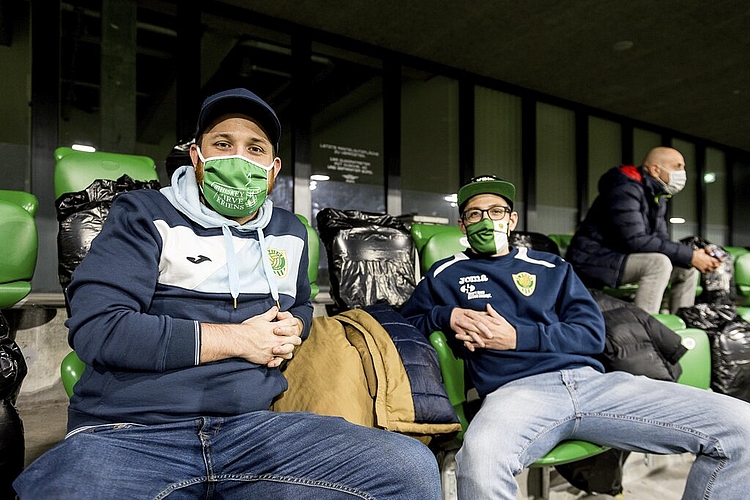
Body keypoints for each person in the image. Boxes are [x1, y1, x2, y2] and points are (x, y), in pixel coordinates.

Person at [14, 88, 440, 499]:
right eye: (223, 143)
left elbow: (301, 307)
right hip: (131, 431)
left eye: (255, 148)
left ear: (273, 169)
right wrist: (236, 339)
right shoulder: (143, 215)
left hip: (251, 430)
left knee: (408, 468)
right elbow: (100, 330)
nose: (239, 157)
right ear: (197, 158)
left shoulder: (290, 232)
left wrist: (294, 327)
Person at [401, 175, 750, 499]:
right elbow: (405, 325)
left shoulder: (552, 267)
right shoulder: (446, 274)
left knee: (742, 425)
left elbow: (592, 335)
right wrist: (447, 315)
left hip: (593, 385)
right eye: (474, 214)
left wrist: (518, 338)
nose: (486, 220)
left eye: (496, 211)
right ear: (462, 225)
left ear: (512, 219)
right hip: (516, 393)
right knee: (479, 464)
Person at [565, 146, 722, 314]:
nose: (683, 173)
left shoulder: (657, 196)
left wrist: (693, 257)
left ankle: (681, 324)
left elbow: (661, 239)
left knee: (686, 268)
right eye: (677, 167)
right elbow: (635, 240)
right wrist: (690, 255)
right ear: (655, 170)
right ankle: (645, 329)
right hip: (592, 259)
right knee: (658, 263)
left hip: (620, 257)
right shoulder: (624, 189)